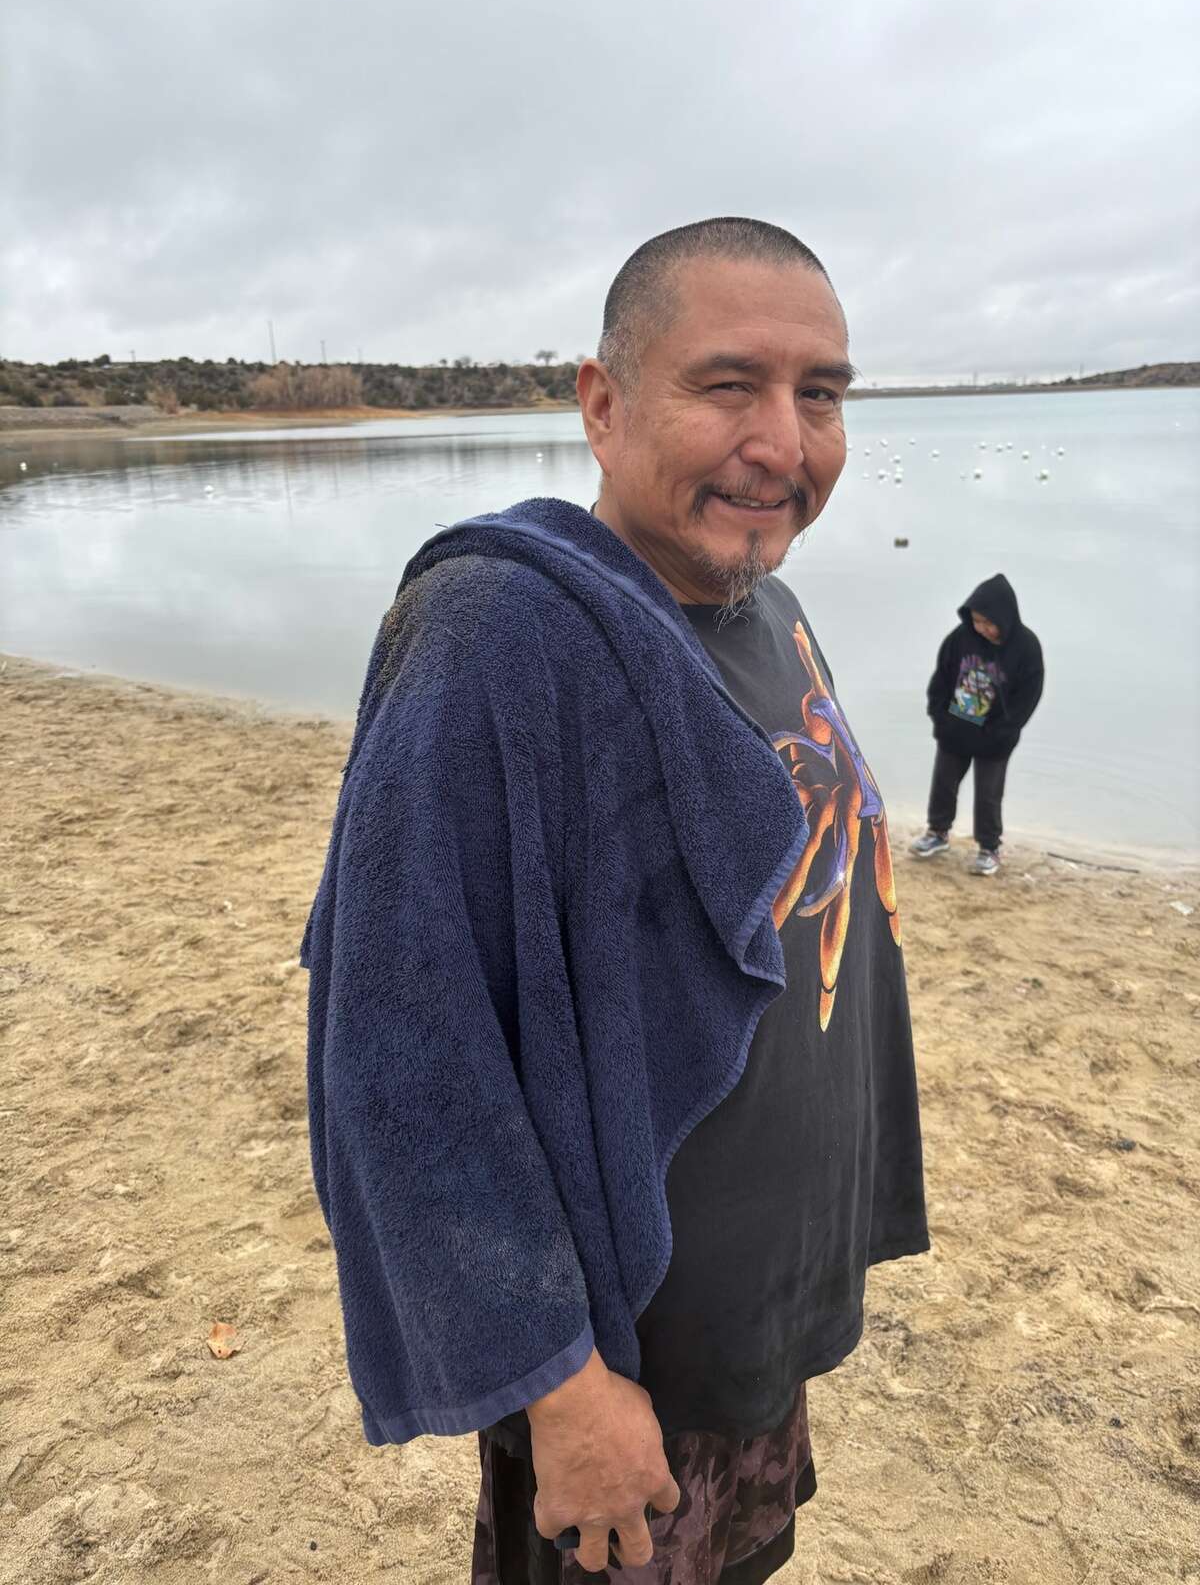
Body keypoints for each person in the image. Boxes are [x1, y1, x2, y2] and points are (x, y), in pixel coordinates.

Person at [303, 217, 928, 1585]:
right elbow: (400, 1052)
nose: (784, 441)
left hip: (753, 1338)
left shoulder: (767, 603)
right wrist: (559, 1385)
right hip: (625, 1369)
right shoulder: (501, 633)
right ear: (602, 403)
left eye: (821, 393)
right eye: (728, 385)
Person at [910, 575, 1044, 876]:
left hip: (996, 738)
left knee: (988, 795)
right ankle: (937, 833)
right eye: (976, 621)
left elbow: (1029, 696)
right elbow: (941, 679)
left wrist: (1004, 732)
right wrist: (940, 718)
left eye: (987, 622)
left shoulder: (1026, 647)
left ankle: (989, 848)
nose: (981, 628)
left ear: (1004, 618)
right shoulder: (960, 638)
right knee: (943, 784)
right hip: (955, 729)